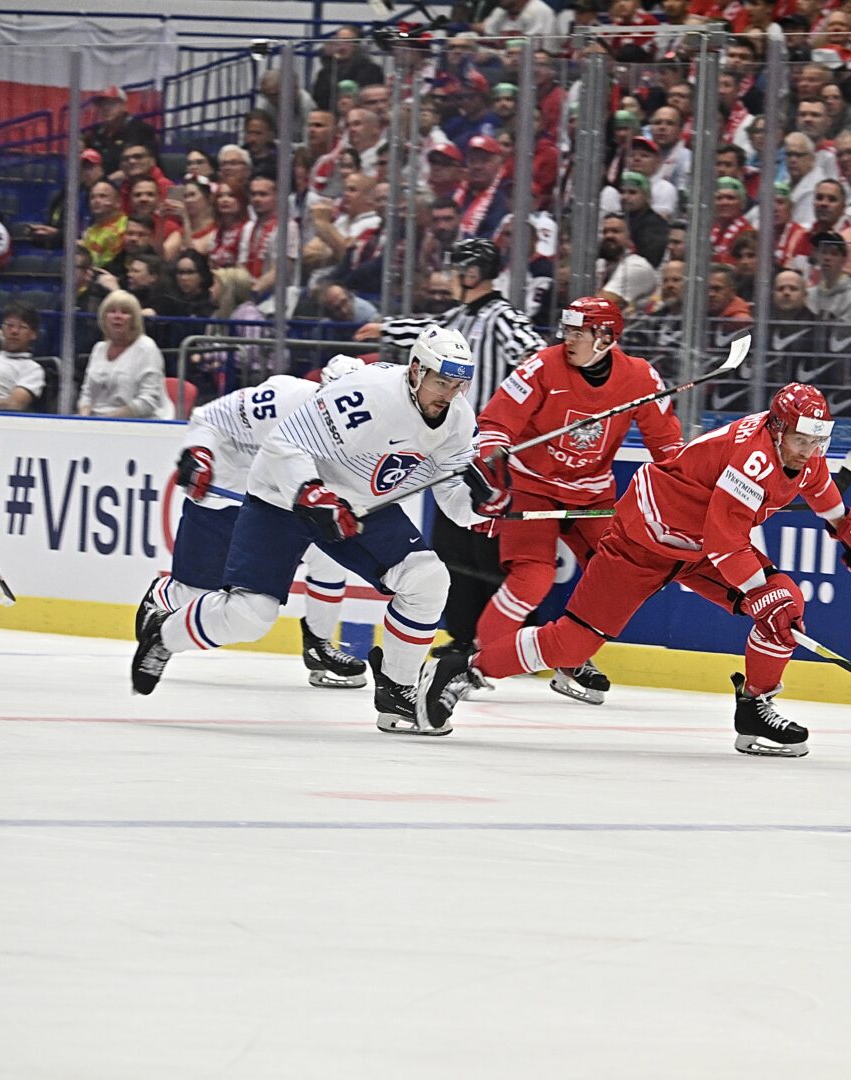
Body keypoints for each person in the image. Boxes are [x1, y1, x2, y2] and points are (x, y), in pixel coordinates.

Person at [418, 383, 851, 756]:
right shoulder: (753, 458)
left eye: (816, 441)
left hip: (698, 545)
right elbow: (726, 542)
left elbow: (815, 482)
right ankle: (465, 667)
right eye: (801, 441)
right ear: (778, 430)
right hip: (645, 539)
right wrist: (758, 592)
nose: (809, 450)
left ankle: (754, 708)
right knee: (573, 643)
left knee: (786, 606)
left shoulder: (798, 446)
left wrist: (844, 524)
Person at [131, 330, 489, 740]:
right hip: (281, 498)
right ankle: (163, 636)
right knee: (250, 616)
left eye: (458, 384)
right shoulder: (366, 394)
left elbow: (455, 499)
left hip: (357, 504)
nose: (450, 393)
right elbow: (283, 442)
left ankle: (396, 690)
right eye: (442, 382)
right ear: (415, 371)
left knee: (427, 578)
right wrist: (310, 493)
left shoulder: (458, 418)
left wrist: (483, 502)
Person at [469, 297, 684, 704]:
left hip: (592, 495)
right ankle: (479, 662)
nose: (567, 339)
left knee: (616, 580)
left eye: (577, 332)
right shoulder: (541, 367)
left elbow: (668, 446)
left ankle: (571, 655)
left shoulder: (640, 377)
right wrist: (491, 470)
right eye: (566, 330)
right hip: (533, 487)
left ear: (604, 337)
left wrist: (687, 486)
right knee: (533, 578)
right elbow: (495, 424)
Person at [135, 356, 370, 691]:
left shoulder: (361, 429)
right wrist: (199, 452)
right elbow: (208, 417)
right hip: (228, 493)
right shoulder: (279, 399)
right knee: (196, 593)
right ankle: (163, 596)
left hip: (280, 502)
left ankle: (318, 644)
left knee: (329, 558)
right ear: (321, 391)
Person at [364, 239, 547, 662]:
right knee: (453, 548)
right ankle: (463, 635)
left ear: (473, 271)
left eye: (457, 268)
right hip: (453, 447)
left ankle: (508, 639)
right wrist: (385, 329)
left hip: (490, 452)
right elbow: (424, 331)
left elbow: (534, 353)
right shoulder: (457, 318)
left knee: (490, 550)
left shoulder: (502, 316)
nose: (451, 276)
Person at [78, 290, 170, 419]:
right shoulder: (99, 348)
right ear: (104, 318)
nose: (118, 316)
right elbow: (86, 394)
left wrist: (107, 418)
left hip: (138, 421)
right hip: (96, 420)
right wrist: (84, 416)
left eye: (125, 312)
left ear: (134, 320)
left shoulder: (146, 348)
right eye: (112, 311)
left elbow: (148, 401)